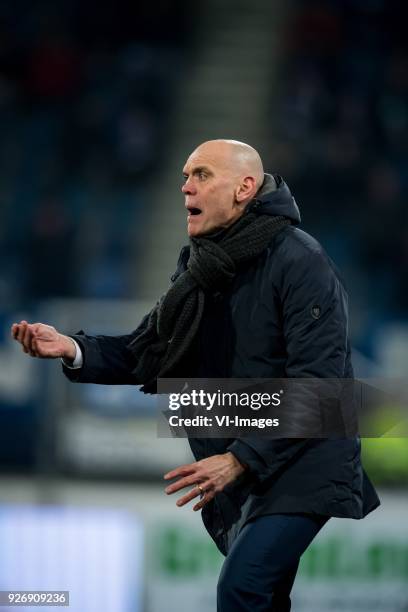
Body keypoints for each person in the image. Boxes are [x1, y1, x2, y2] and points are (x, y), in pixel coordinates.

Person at [12, 139, 380, 611]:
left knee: (242, 588)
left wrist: (238, 459)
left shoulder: (300, 260)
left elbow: (321, 389)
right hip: (249, 461)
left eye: (202, 175)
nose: (186, 187)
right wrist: (73, 347)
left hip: (305, 458)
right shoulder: (201, 264)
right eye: (185, 176)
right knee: (264, 598)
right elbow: (149, 352)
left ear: (245, 187)